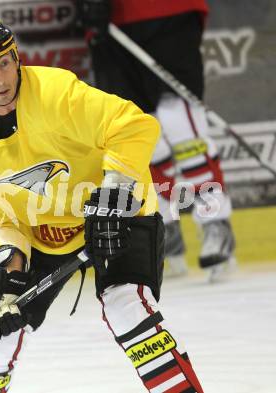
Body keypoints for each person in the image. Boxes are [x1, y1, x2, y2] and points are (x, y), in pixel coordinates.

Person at [0, 15, 204, 393]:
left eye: (5, 62)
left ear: (16, 57)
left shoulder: (56, 93)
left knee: (126, 305)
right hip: (44, 233)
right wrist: (10, 271)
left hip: (118, 210)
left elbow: (134, 125)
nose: (0, 79)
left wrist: (114, 194)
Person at [77, 0, 236, 281]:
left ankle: (215, 224)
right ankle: (161, 228)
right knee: (134, 131)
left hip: (167, 11)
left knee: (181, 122)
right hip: (110, 21)